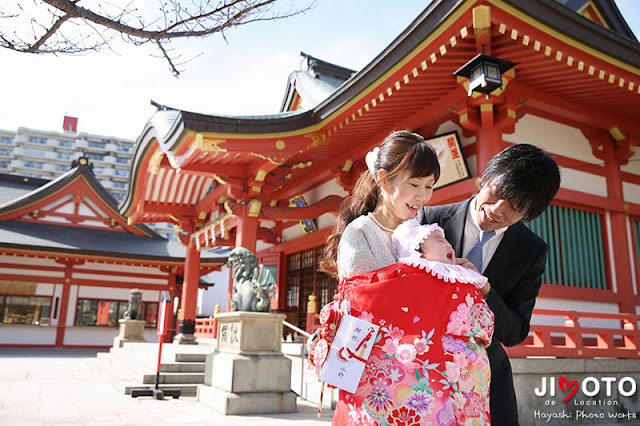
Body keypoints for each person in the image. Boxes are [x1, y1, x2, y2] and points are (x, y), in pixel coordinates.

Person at [417, 143, 561, 426]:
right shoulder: (429, 220)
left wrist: (485, 290)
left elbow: (515, 331)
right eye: (497, 193)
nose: (496, 210)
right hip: (424, 364)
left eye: (516, 207)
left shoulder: (532, 250)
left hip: (486, 376)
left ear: (530, 213)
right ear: (485, 178)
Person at [312, 218, 494, 425]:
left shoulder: (463, 276)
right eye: (439, 240)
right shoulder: (402, 275)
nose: (449, 244)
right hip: (417, 363)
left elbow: (484, 322)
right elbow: (366, 296)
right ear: (419, 252)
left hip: (466, 373)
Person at [320, 130, 441, 280]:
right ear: (384, 180)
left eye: (429, 186)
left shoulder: (420, 231)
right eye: (414, 184)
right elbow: (366, 297)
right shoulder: (360, 232)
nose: (422, 196)